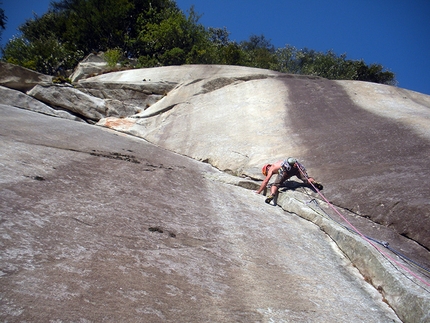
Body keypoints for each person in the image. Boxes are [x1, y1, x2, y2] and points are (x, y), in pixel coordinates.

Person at [255, 157, 323, 204]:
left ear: (267, 168)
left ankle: (272, 195)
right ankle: (313, 182)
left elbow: (266, 181)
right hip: (296, 166)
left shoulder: (271, 168)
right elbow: (287, 176)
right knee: (306, 179)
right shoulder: (279, 162)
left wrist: (259, 191)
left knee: (275, 185)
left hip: (285, 170)